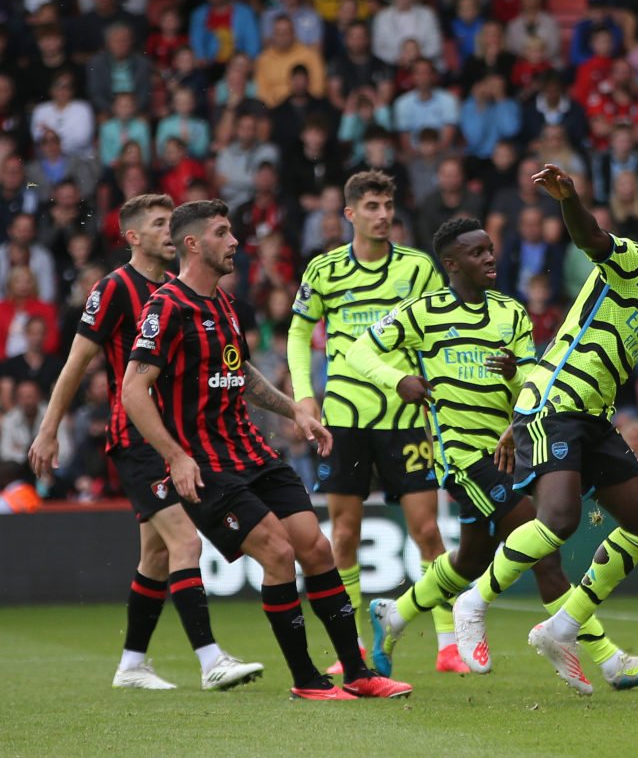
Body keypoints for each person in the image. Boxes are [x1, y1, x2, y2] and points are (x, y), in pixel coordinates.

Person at [350, 217, 638, 689]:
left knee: (473, 560)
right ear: (451, 264)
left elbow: (531, 381)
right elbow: (359, 351)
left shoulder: (512, 314)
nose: (489, 258)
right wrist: (398, 379)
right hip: (461, 453)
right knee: (538, 539)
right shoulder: (421, 312)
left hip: (510, 445)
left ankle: (394, 614)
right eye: (477, 253)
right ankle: (607, 658)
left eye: (491, 250)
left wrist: (515, 377)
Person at [453, 164, 638, 693]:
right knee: (559, 519)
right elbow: (591, 238)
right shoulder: (635, 266)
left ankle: (562, 627)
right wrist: (570, 200)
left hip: (592, 418)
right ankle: (474, 601)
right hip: (555, 405)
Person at [121, 199, 411, 700]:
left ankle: (358, 672)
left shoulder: (226, 304)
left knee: (317, 550)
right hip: (206, 465)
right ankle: (306, 680)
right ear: (193, 244)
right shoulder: (165, 306)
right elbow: (132, 391)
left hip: (253, 454)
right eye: (222, 233)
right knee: (278, 553)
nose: (235, 242)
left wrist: (294, 410)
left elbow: (242, 374)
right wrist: (175, 456)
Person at [27, 194, 263, 690]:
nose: (168, 231)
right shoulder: (114, 289)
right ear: (133, 236)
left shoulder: (185, 292)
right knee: (185, 540)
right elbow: (76, 364)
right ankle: (210, 659)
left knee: (155, 555)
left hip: (175, 437)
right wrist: (49, 431)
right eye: (158, 224)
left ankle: (132, 664)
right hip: (135, 437)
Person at [286, 171, 460, 673]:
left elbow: (439, 332)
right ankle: (355, 648)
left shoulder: (419, 269)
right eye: (372, 206)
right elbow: (299, 334)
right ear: (349, 214)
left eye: (388, 205)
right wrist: (304, 397)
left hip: (405, 415)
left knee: (428, 530)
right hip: (343, 418)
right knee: (343, 534)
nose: (383, 214)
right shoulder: (324, 270)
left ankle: (448, 644)